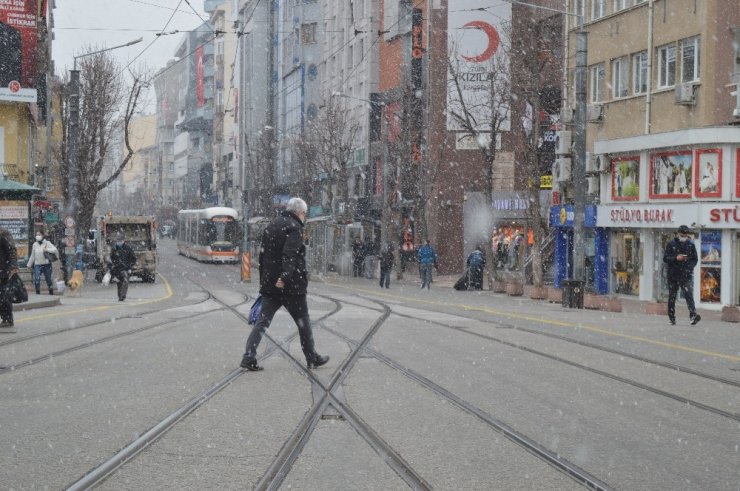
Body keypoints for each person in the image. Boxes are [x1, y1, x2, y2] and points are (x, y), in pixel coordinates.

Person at [240, 197, 329, 372]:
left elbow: (262, 256)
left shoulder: (272, 225)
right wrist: (285, 277)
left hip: (270, 285)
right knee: (303, 322)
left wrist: (265, 281)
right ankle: (311, 357)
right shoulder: (294, 228)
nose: (304, 217)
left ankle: (249, 356)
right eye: (305, 213)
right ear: (300, 213)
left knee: (262, 322)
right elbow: (290, 255)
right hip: (291, 287)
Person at [663, 225, 700, 326]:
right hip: (673, 275)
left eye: (685, 235)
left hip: (686, 275)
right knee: (672, 297)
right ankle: (671, 318)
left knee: (689, 295)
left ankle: (693, 316)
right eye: (682, 235)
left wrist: (689, 267)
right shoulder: (671, 244)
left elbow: (695, 259)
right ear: (678, 234)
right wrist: (676, 258)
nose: (684, 236)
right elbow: (665, 258)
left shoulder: (691, 245)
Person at [107, 232, 137, 302]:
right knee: (119, 283)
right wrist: (114, 265)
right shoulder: (114, 249)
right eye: (117, 241)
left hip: (125, 268)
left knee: (125, 281)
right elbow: (112, 258)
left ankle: (122, 296)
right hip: (117, 269)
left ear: (123, 241)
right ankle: (120, 296)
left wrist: (129, 266)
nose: (119, 242)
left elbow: (133, 258)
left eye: (120, 241)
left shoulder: (128, 248)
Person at [0, 227, 18, 330]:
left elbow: (12, 250)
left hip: (3, 271)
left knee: (4, 296)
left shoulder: (3, 233)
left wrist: (13, 265)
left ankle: (7, 319)